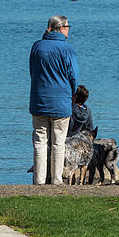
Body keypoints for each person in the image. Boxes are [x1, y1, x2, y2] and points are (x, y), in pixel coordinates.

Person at [29, 15, 79, 185]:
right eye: (68, 27)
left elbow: (32, 72)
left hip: (39, 100)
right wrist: (70, 94)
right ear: (60, 28)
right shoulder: (67, 49)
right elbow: (74, 77)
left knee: (40, 142)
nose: (68, 30)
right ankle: (57, 180)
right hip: (60, 102)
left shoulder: (37, 46)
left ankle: (39, 180)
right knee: (58, 143)